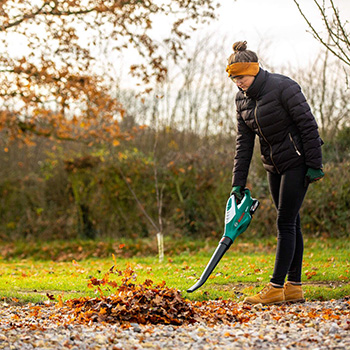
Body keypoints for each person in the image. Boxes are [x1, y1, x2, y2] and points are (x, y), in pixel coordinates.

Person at [226, 41, 324, 305]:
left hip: (298, 161)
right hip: (273, 165)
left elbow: (307, 124)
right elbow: (243, 143)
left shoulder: (283, 86)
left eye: (242, 77)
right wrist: (238, 182)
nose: (238, 83)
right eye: (234, 79)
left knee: (284, 222)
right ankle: (294, 287)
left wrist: (315, 163)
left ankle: (275, 287)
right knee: (293, 223)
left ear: (255, 70)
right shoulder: (241, 100)